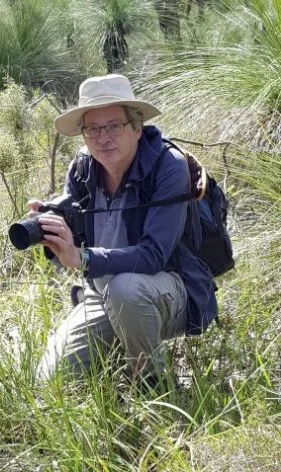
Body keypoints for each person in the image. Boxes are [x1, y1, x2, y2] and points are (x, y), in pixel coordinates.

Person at [29, 74, 218, 382]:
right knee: (50, 383)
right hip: (103, 295)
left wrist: (85, 259)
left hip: (170, 289)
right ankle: (120, 343)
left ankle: (151, 386)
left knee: (126, 290)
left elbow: (154, 255)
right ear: (84, 135)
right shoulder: (82, 169)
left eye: (114, 126)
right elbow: (71, 251)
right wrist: (54, 237)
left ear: (137, 127)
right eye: (93, 129)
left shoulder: (167, 165)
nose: (104, 138)